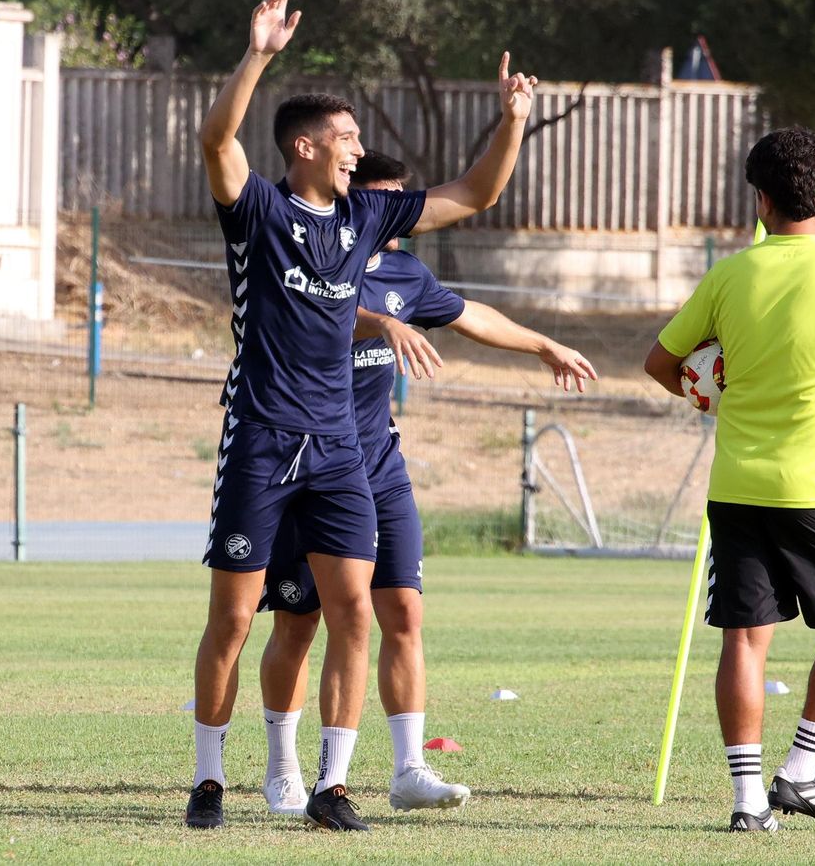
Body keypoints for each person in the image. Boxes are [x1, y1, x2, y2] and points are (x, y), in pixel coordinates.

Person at [188, 0, 539, 832]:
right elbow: (217, 139)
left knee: (353, 614)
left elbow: (476, 194)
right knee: (234, 618)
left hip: (342, 446)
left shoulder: (369, 213)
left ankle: (332, 786)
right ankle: (208, 779)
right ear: (305, 147)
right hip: (262, 438)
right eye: (344, 138)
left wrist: (512, 123)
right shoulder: (259, 211)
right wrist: (257, 56)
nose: (356, 150)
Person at [255, 152, 598, 819]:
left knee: (404, 614)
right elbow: (320, 314)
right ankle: (283, 767)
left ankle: (409, 769)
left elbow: (471, 315)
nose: (395, 215)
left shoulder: (407, 274)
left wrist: (543, 346)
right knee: (300, 622)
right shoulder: (308, 261)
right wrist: (383, 323)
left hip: (380, 465)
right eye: (381, 199)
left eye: (400, 202)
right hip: (309, 464)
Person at [643, 127, 815, 832]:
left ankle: (748, 803)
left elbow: (661, 364)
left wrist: (714, 397)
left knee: (746, 638)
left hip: (735, 487)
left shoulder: (729, 276)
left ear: (760, 200)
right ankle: (802, 773)